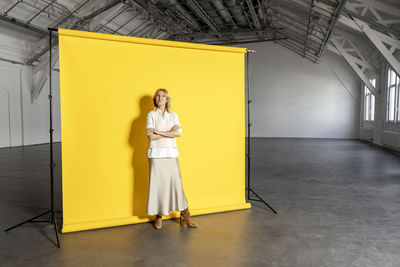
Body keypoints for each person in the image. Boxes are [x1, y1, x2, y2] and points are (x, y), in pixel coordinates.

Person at [146, 88, 198, 230]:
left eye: (163, 96)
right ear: (155, 99)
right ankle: (159, 216)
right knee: (158, 186)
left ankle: (185, 214)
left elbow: (179, 133)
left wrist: (159, 131)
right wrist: (170, 133)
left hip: (171, 153)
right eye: (158, 96)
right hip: (156, 155)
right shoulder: (151, 115)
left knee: (176, 183)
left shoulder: (173, 115)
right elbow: (151, 136)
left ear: (167, 99)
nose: (160, 98)